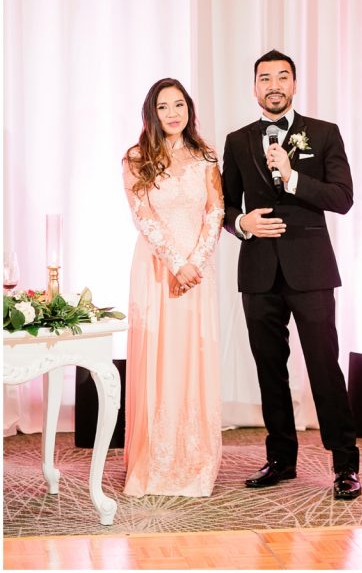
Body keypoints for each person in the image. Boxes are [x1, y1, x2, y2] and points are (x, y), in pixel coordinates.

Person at [222, 49, 361, 499]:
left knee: (324, 367)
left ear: (295, 85)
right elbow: (224, 206)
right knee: (269, 369)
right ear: (254, 87)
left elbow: (342, 197)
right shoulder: (238, 140)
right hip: (259, 272)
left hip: (311, 269)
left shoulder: (323, 134)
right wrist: (242, 224)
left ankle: (345, 466)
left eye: (283, 77)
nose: (274, 85)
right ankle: (281, 460)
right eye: (265, 78)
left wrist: (294, 178)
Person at [122, 78, 224, 496]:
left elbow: (215, 213)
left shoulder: (205, 157)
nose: (172, 113)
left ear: (189, 109)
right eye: (163, 106)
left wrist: (195, 264)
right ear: (152, 112)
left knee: (193, 356)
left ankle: (193, 455)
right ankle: (155, 456)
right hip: (156, 270)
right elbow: (142, 216)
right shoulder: (135, 159)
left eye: (178, 104)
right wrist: (176, 264)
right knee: (158, 356)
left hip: (196, 275)